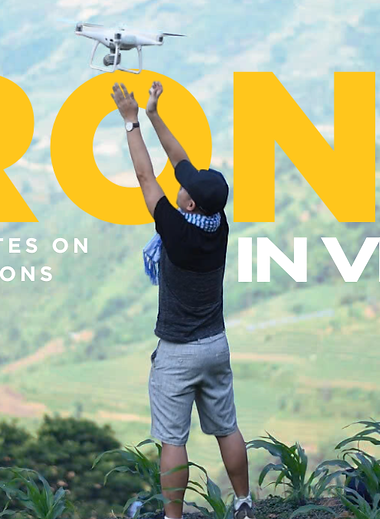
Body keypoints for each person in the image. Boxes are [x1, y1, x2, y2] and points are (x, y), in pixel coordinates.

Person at [110, 81, 254, 519]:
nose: (182, 181)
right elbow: (179, 164)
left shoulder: (173, 231)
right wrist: (154, 113)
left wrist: (131, 121)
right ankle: (245, 503)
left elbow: (145, 176)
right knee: (226, 427)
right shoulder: (217, 225)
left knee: (174, 440)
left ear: (187, 201)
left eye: (185, 186)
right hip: (215, 345)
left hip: (177, 352)